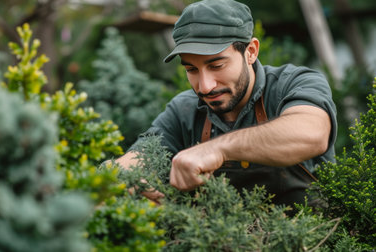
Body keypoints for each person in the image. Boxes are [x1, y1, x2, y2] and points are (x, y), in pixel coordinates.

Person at [116, 0, 337, 207]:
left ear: (250, 52)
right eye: (191, 70)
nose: (205, 87)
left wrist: (217, 149)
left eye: (217, 65)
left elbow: (312, 134)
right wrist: (119, 175)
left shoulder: (294, 83)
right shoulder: (183, 109)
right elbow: (141, 156)